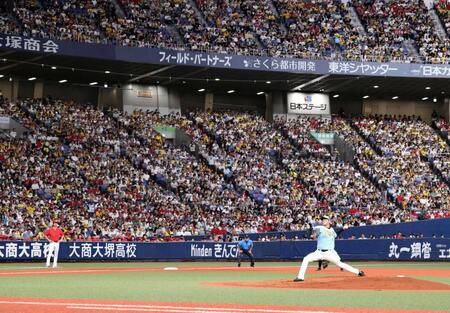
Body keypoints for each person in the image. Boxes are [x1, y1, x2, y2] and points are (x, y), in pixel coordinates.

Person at [293, 216, 364, 281]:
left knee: (340, 264)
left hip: (329, 253)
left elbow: (336, 234)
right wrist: (310, 229)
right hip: (318, 252)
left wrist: (343, 228)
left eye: (325, 219)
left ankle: (358, 272)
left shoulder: (332, 230)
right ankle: (300, 277)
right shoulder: (320, 228)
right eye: (323, 219)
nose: (323, 220)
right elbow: (313, 236)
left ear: (329, 221)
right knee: (306, 259)